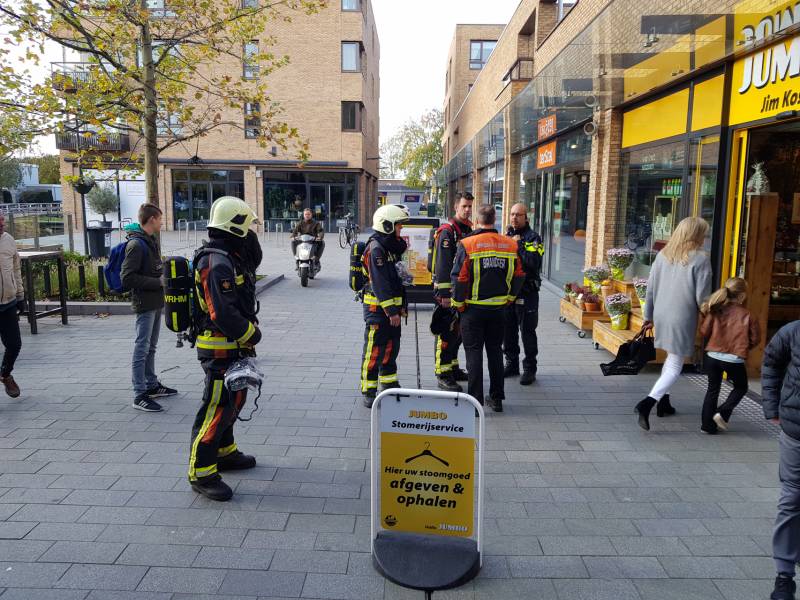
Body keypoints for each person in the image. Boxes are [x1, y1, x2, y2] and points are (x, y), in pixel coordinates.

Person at [188, 196, 262, 501]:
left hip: (231, 344)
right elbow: (222, 312)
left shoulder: (228, 255)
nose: (250, 231)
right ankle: (202, 471)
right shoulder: (216, 262)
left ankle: (224, 451)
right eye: (247, 226)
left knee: (234, 399)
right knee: (218, 405)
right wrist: (251, 335)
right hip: (219, 346)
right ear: (234, 226)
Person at [635, 217, 712, 431]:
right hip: (683, 316)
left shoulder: (663, 255)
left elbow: (650, 289)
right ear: (696, 235)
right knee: (675, 364)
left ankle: (664, 403)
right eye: (704, 234)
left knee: (670, 358)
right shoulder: (701, 259)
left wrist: (648, 317)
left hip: (662, 313)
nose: (705, 238)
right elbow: (702, 297)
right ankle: (647, 403)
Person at [451, 204, 524, 412]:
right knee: (494, 352)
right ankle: (497, 398)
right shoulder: (510, 245)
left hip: (472, 310)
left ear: (477, 219)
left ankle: (475, 403)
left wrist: (458, 304)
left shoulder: (467, 243)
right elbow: (519, 275)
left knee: (473, 354)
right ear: (495, 219)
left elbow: (460, 278)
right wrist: (510, 297)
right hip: (499, 309)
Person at [121, 204, 176, 412]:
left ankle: (151, 384)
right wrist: (158, 283)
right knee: (141, 347)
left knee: (150, 347)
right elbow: (127, 278)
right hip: (145, 303)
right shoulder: (136, 244)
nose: (162, 222)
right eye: (160, 218)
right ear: (152, 219)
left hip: (154, 302)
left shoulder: (149, 241)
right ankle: (139, 393)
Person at [764, 321, 800, 600]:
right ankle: (784, 574)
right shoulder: (792, 332)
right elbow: (771, 361)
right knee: (792, 497)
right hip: (795, 430)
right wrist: (771, 405)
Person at [360, 204, 409, 408]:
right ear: (387, 225)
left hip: (392, 311)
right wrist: (391, 311)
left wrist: (402, 306)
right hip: (378, 311)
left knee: (391, 347)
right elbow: (380, 284)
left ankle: (389, 385)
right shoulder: (376, 249)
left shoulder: (391, 248)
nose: (401, 230)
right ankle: (368, 389)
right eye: (398, 226)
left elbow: (397, 279)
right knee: (374, 350)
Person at [698, 278, 760, 434]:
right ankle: (722, 413)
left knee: (712, 389)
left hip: (712, 356)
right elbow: (755, 339)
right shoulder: (747, 314)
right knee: (740, 387)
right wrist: (743, 348)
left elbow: (704, 332)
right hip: (733, 358)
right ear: (742, 296)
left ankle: (707, 426)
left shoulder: (716, 310)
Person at [431, 192, 473, 391]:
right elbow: (443, 265)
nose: (467, 210)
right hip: (449, 294)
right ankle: (443, 373)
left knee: (458, 334)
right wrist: (445, 295)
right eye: (464, 206)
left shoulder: (468, 229)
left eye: (470, 206)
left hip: (462, 292)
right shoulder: (448, 232)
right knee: (446, 334)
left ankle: (454, 368)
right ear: (456, 207)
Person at [503, 203, 544, 385]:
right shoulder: (506, 236)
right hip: (509, 292)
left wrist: (518, 245)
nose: (514, 218)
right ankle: (511, 364)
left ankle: (529, 369)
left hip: (527, 293)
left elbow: (533, 263)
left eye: (518, 215)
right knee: (508, 331)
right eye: (512, 214)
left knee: (527, 331)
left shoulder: (533, 238)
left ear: (526, 217)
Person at [0, 213, 24, 398]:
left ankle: (5, 374)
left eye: (2, 219)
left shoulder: (8, 240)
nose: (2, 223)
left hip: (8, 302)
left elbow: (16, 268)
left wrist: (20, 295)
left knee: (14, 344)